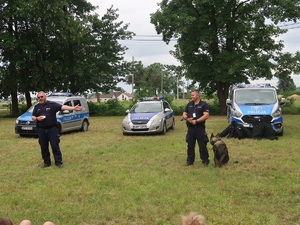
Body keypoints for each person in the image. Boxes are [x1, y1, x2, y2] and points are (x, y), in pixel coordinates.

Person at [32, 91, 82, 168]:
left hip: (52, 129)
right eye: (39, 97)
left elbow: (62, 107)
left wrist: (73, 108)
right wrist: (37, 118)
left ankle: (58, 162)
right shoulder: (37, 107)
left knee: (55, 146)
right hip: (41, 130)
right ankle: (46, 162)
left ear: (45, 97)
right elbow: (33, 117)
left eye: (42, 97)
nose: (40, 98)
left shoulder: (52, 105)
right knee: (43, 147)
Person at [182, 90, 210, 166]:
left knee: (202, 145)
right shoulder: (189, 104)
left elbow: (206, 115)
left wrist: (196, 121)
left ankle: (205, 161)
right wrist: (187, 119)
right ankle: (190, 161)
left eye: (193, 95)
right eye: (191, 95)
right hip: (191, 128)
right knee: (190, 145)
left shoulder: (204, 104)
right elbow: (184, 114)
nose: (192, 97)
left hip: (199, 128)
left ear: (198, 96)